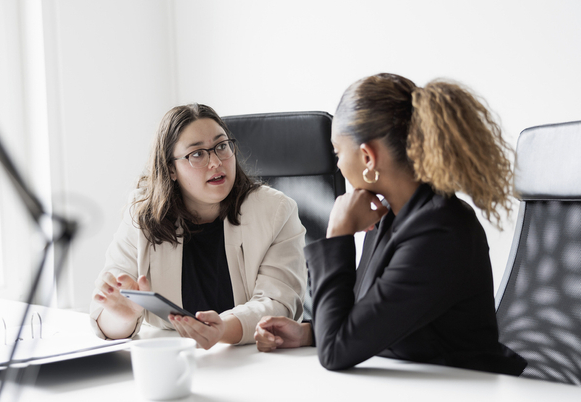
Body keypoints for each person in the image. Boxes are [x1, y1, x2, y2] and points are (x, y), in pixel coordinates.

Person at [254, 73, 527, 376]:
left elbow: (336, 352)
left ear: (368, 156)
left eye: (337, 153)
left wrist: (338, 234)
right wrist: (309, 333)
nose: (339, 165)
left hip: (465, 390)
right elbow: (369, 321)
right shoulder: (394, 214)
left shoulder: (440, 231)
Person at [90, 103, 307, 349]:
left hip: (256, 359)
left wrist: (222, 329)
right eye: (197, 154)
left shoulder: (276, 211)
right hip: (174, 359)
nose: (215, 162)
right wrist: (123, 316)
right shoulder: (143, 216)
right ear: (171, 168)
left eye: (222, 146)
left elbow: (278, 304)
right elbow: (106, 316)